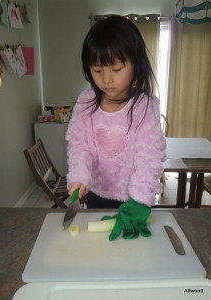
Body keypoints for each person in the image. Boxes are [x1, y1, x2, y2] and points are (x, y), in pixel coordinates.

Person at [66, 15, 166, 241]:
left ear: (135, 64)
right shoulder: (85, 102)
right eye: (97, 70)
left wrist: (140, 200)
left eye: (116, 68)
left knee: (132, 249)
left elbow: (150, 157)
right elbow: (79, 147)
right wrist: (80, 177)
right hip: (97, 194)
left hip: (133, 197)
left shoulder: (145, 106)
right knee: (100, 247)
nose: (106, 79)